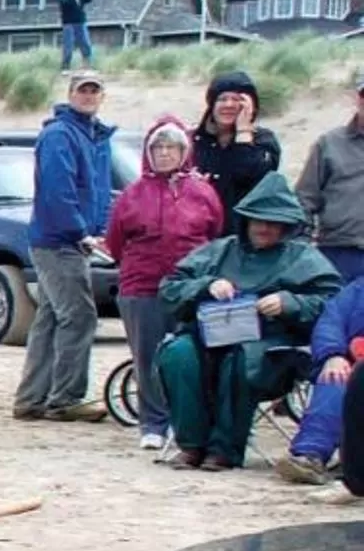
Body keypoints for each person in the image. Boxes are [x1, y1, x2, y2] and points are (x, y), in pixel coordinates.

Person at [151, 172, 340, 472]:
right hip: (209, 335)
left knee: (243, 358)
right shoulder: (219, 251)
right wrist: (207, 286)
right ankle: (191, 445)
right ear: (246, 221)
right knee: (178, 354)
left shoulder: (302, 257)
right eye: (258, 220)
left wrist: (289, 303)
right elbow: (169, 287)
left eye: (272, 222)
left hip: (270, 345)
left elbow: (333, 303)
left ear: (286, 225)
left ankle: (225, 448)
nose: (264, 228)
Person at [104, 118, 225, 450]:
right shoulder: (132, 194)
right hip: (142, 286)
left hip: (189, 287)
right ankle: (153, 424)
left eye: (171, 147)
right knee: (148, 356)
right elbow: (114, 242)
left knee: (190, 354)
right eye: (157, 147)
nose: (164, 153)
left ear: (184, 151)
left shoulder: (203, 192)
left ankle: (183, 421)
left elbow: (214, 235)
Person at [14, 69, 115, 422]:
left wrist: (101, 228)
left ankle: (32, 397)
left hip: (71, 239)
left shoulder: (96, 137)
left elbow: (99, 190)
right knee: (79, 315)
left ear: (103, 96)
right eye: (82, 90)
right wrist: (80, 230)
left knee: (51, 315)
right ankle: (66, 398)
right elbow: (59, 190)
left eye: (94, 90)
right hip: (59, 241)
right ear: (70, 95)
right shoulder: (60, 135)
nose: (88, 95)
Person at [283, 272, 364, 488]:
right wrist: (333, 354)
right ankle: (310, 456)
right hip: (354, 359)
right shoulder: (356, 290)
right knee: (334, 378)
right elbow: (330, 323)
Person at [294, 73, 364, 287]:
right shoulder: (329, 144)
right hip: (337, 253)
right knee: (333, 318)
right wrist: (302, 251)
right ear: (358, 99)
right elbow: (304, 200)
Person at [194, 69, 282, 224]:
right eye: (222, 99)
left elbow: (252, 176)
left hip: (244, 231)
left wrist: (243, 132)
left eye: (237, 99)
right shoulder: (194, 141)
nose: (229, 105)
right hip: (201, 231)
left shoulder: (264, 141)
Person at [55, 0, 96, 67]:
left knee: (85, 43)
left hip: (80, 22)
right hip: (68, 23)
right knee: (68, 45)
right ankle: (66, 64)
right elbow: (65, 2)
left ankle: (88, 63)